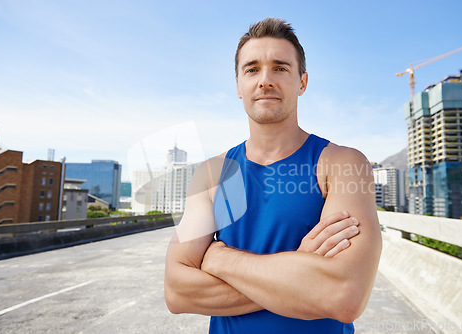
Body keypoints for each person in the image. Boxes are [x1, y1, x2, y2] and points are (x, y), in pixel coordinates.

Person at [164, 17, 382, 334]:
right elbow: (176, 291)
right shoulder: (212, 174)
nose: (265, 80)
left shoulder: (342, 164)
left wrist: (219, 260)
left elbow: (343, 295)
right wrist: (297, 269)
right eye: (252, 69)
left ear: (302, 82)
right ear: (239, 86)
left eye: (280, 68)